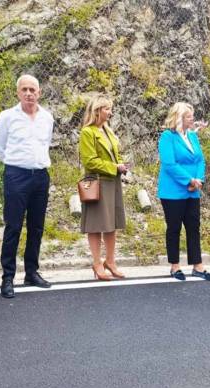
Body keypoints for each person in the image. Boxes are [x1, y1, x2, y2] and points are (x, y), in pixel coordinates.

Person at [0, 74, 53, 298]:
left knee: (36, 226)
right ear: (18, 92)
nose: (29, 93)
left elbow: (45, 144)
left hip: (40, 176)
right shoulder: (7, 117)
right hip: (16, 175)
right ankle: (8, 277)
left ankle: (31, 272)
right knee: (13, 226)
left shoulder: (47, 117)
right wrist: (17, 164)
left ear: (39, 93)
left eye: (32, 90)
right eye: (24, 89)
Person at [157, 102, 210, 282]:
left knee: (193, 227)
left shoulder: (192, 136)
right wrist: (189, 180)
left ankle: (197, 265)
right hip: (173, 191)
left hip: (193, 190)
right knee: (174, 228)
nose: (192, 119)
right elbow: (169, 164)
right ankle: (175, 266)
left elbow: (200, 160)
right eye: (189, 116)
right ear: (179, 118)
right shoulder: (167, 136)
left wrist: (198, 180)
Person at [79, 94, 128, 281]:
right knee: (96, 225)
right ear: (97, 110)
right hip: (97, 183)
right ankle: (97, 263)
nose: (110, 112)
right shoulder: (87, 132)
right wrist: (114, 167)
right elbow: (90, 161)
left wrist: (121, 165)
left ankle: (110, 261)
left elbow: (115, 156)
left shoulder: (108, 131)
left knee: (111, 224)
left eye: (110, 108)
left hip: (112, 182)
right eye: (107, 108)